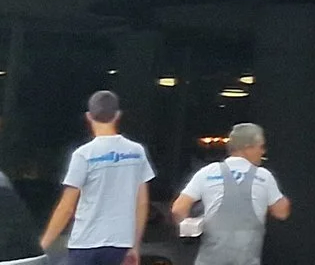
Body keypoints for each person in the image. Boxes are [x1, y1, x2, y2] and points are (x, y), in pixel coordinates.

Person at [38, 90, 154, 265]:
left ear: (89, 116)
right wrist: (135, 245)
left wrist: (42, 245)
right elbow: (142, 203)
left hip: (85, 243)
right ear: (118, 115)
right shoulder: (136, 152)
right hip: (120, 244)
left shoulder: (84, 155)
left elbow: (66, 207)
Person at [170, 122, 289, 265]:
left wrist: (189, 230)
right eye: (261, 146)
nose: (263, 152)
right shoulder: (264, 177)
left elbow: (178, 209)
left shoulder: (207, 172)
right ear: (248, 147)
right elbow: (282, 213)